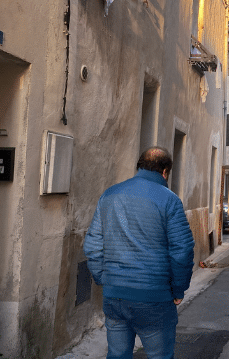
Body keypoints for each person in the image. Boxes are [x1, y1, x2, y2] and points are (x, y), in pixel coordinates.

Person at [83, 147, 195, 359]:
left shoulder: (109, 194)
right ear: (165, 172)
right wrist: (179, 289)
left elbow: (93, 245)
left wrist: (104, 279)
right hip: (154, 297)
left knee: (117, 355)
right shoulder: (169, 200)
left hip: (115, 296)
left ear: (139, 167)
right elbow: (182, 250)